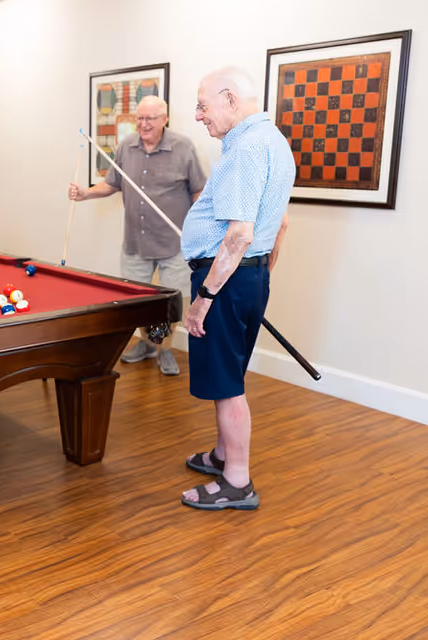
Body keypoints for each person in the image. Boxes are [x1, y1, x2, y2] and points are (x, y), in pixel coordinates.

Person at [179, 67, 295, 511]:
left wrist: (205, 299)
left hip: (225, 278)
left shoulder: (246, 149)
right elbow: (281, 223)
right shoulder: (274, 141)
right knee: (230, 375)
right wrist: (256, 280)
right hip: (246, 277)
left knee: (228, 387)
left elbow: (238, 235)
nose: (198, 116)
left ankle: (237, 482)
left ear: (229, 99)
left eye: (202, 106)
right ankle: (224, 454)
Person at [69, 95, 206, 375]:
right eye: (140, 118)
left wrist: (199, 230)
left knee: (172, 303)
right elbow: (111, 184)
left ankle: (165, 349)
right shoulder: (126, 147)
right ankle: (145, 344)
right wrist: (85, 194)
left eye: (150, 119)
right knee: (136, 301)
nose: (143, 124)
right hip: (135, 242)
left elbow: (199, 192)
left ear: (164, 119)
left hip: (174, 243)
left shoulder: (184, 147)